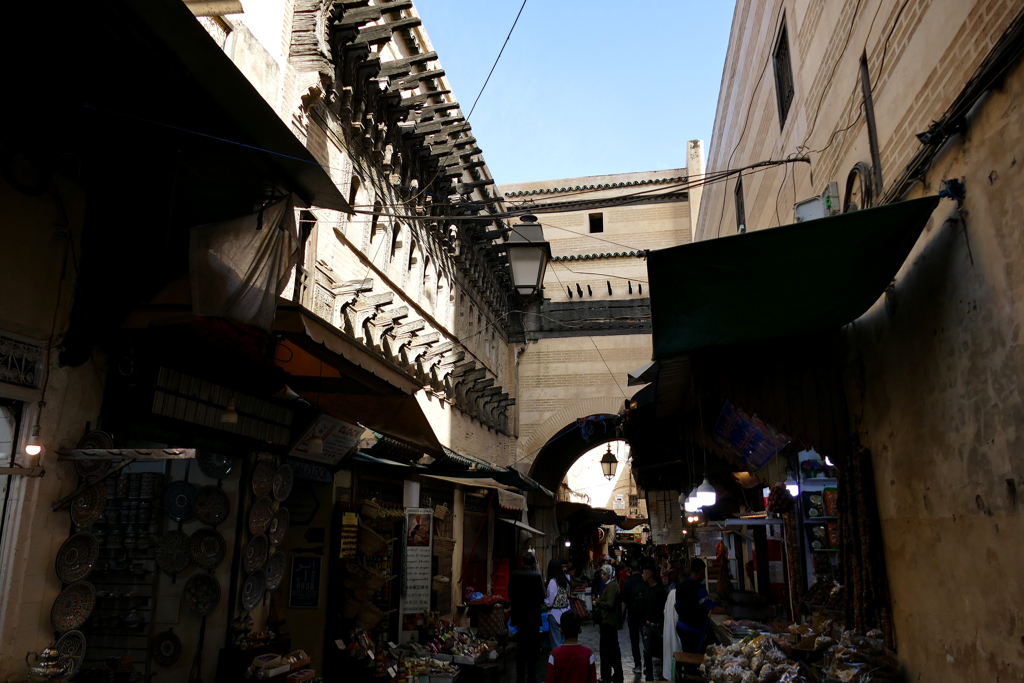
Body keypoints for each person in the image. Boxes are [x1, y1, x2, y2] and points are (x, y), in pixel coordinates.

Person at [509, 554, 545, 683]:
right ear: (533, 565)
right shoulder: (536, 577)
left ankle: (520, 678)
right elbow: (541, 597)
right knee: (532, 649)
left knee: (521, 648)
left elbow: (510, 594)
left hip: (519, 617)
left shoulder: (514, 575)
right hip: (533, 617)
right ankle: (531, 677)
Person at [675, 559, 723, 655]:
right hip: (694, 631)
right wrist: (729, 611)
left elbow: (677, 606)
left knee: (688, 653)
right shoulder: (699, 589)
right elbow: (711, 608)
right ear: (701, 571)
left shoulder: (681, 585)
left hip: (681, 628)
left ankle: (689, 668)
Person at [593, 564, 624, 683]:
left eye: (604, 574)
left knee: (607, 650)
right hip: (609, 622)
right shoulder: (611, 585)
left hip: (609, 622)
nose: (602, 576)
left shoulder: (611, 586)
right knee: (612, 650)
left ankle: (607, 676)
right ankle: (615, 674)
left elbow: (609, 604)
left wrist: (598, 602)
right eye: (601, 574)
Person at [546, 611, 596, 683]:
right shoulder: (588, 654)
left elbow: (549, 680)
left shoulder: (554, 655)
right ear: (580, 630)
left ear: (561, 631)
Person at [641, 563, 668, 681]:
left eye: (644, 573)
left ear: (648, 576)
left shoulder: (660, 591)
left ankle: (665, 675)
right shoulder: (646, 589)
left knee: (662, 652)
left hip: (659, 626)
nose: (642, 575)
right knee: (647, 653)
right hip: (649, 626)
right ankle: (650, 677)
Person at [623, 560, 646, 674]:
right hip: (644, 614)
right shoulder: (644, 580)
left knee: (634, 641)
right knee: (646, 639)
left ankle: (638, 665)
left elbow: (624, 600)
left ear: (630, 570)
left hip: (632, 615)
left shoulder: (628, 582)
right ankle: (647, 664)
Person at [545, 557, 571, 651]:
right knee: (564, 641)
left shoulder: (553, 582)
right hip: (565, 612)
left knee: (556, 641)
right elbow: (567, 597)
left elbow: (550, 602)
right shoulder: (565, 581)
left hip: (554, 614)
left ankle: (557, 662)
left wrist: (544, 601)